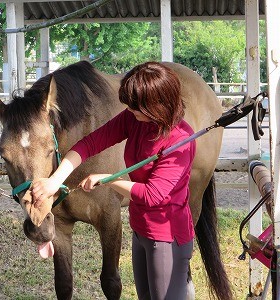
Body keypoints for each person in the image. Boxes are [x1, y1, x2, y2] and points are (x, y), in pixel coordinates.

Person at [31, 61, 196, 300]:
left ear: (157, 105)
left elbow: (153, 195)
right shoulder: (135, 119)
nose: (129, 109)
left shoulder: (181, 140)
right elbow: (90, 143)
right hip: (141, 230)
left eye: (136, 106)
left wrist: (107, 179)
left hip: (166, 236)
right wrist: (55, 180)